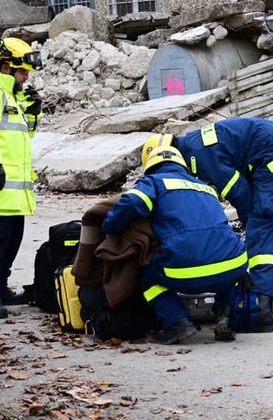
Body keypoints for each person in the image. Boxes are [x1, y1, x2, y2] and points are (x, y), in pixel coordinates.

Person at [143, 117, 273, 332]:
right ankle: (264, 291)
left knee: (262, 226)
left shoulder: (199, 157)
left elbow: (239, 191)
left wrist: (251, 223)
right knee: (261, 225)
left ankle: (263, 309)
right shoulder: (194, 147)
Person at [103, 145, 250, 344]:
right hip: (233, 264)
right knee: (228, 261)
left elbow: (133, 204)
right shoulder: (205, 187)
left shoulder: (154, 182)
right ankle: (225, 316)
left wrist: (110, 225)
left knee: (145, 275)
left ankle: (177, 321)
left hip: (183, 269)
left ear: (151, 167)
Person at [0, 37, 43, 319]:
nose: (27, 77)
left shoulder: (12, 96)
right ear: (6, 66)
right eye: (24, 71)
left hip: (12, 194)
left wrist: (33, 113)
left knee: (9, 244)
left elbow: (23, 138)